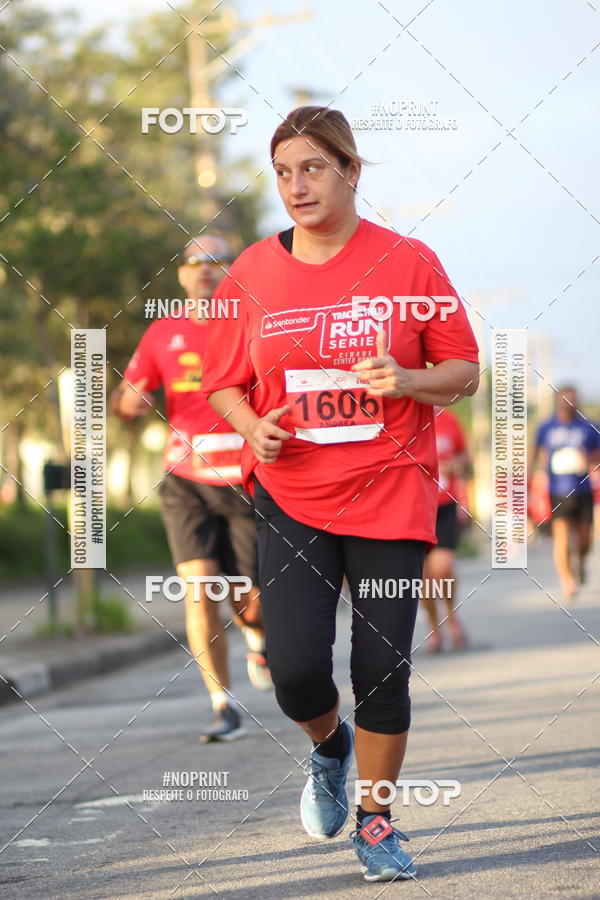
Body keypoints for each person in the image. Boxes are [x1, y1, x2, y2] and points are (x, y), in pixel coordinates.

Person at [202, 107, 479, 882]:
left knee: (382, 668)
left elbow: (463, 371)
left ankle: (377, 822)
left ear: (352, 172)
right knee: (294, 671)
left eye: (314, 168)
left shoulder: (409, 263)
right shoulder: (251, 273)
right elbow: (222, 382)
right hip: (292, 493)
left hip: (390, 490)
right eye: (283, 172)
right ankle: (329, 747)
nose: (297, 186)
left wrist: (409, 379)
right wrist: (251, 426)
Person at [110, 233, 272, 743]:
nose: (206, 268)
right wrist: (130, 401)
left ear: (233, 272)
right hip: (185, 480)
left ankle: (258, 638)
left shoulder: (256, 324)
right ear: (182, 275)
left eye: (218, 260)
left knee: (250, 602)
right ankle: (223, 705)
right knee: (200, 592)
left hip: (245, 478)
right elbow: (126, 397)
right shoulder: (163, 332)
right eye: (195, 261)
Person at [533, 385, 600, 598]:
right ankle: (567, 580)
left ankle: (580, 559)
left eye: (572, 399)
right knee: (561, 536)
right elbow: (535, 454)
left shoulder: (588, 426)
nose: (569, 403)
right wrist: (535, 475)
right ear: (557, 401)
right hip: (557, 491)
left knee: (585, 538)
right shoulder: (546, 427)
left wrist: (588, 459)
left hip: (583, 489)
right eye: (565, 399)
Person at [421, 406, 470, 653]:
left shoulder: (449, 419)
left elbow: (465, 456)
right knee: (423, 577)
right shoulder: (403, 415)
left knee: (442, 567)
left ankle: (451, 615)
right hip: (415, 508)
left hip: (445, 505)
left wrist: (455, 464)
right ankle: (434, 628)